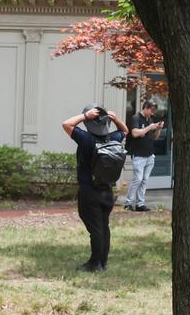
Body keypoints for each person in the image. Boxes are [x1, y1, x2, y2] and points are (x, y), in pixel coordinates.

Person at [62, 104, 127, 271]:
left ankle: (95, 263)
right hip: (107, 191)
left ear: (90, 123)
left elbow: (66, 124)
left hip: (89, 192)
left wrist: (84, 116)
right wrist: (115, 118)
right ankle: (103, 262)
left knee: (96, 229)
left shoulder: (86, 139)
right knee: (103, 226)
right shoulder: (113, 138)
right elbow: (125, 130)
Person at [124, 100, 164, 212]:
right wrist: (149, 127)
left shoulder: (149, 119)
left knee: (144, 180)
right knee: (138, 179)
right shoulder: (136, 118)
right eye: (151, 110)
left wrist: (158, 129)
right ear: (146, 107)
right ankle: (128, 203)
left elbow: (154, 138)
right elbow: (135, 133)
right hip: (139, 155)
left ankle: (140, 204)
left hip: (149, 155)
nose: (152, 113)